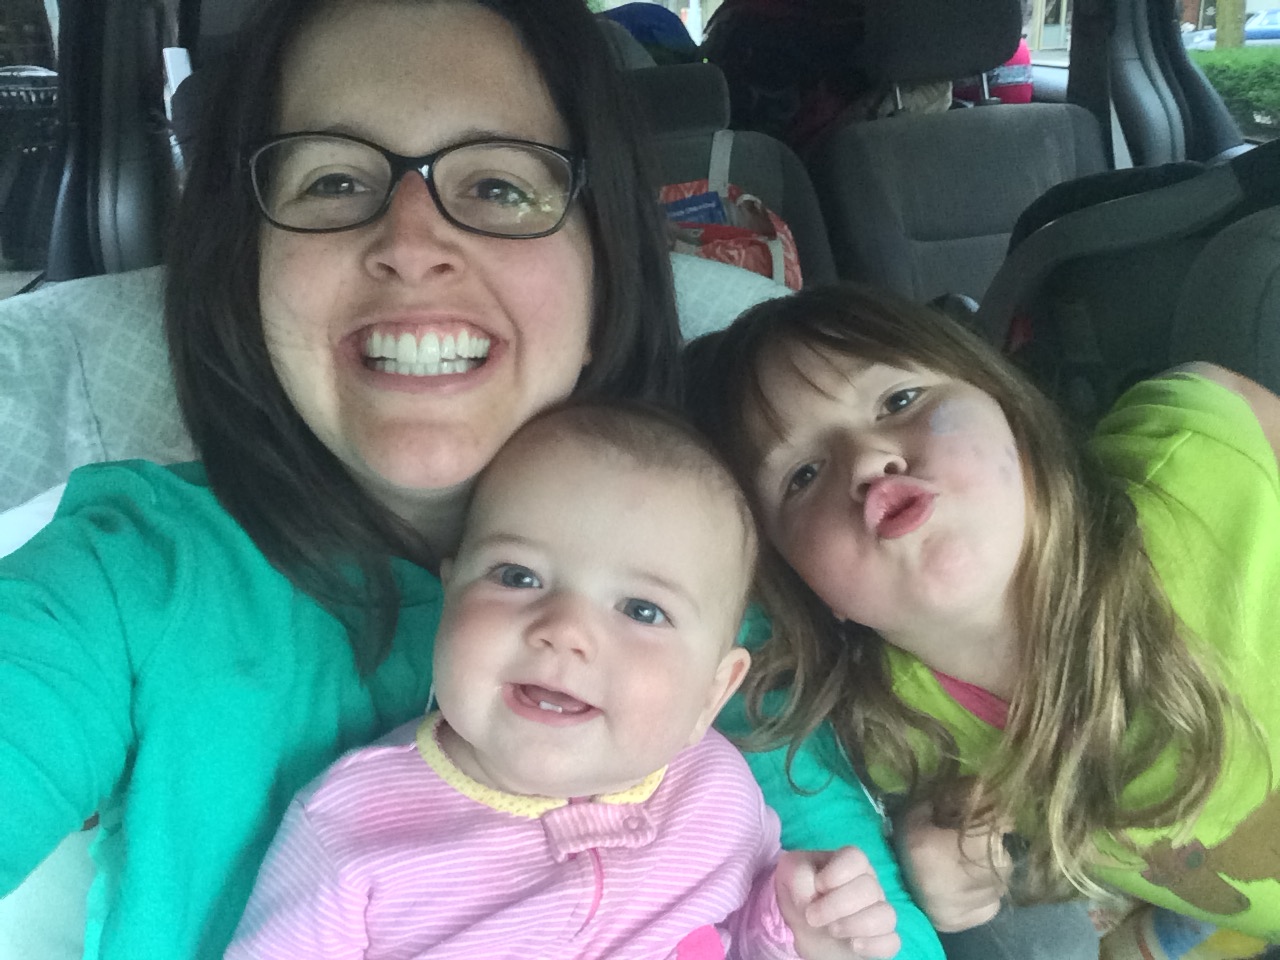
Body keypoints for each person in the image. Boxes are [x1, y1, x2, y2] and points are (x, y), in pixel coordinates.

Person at [0, 0, 682, 957]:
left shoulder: (705, 579)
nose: (410, 243)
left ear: (606, 270)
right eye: (333, 180)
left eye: (497, 184)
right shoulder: (127, 585)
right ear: (245, 271)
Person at [684, 285, 1280, 954]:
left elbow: (1213, 393)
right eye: (804, 475)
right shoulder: (899, 735)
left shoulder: (1199, 464)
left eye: (899, 401)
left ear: (1006, 408)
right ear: (813, 591)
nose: (869, 461)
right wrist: (932, 845)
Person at [225, 401, 903, 960]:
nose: (565, 630)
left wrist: (800, 931)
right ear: (449, 595)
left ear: (712, 693)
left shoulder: (719, 796)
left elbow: (739, 939)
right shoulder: (352, 826)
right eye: (518, 576)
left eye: (642, 611)